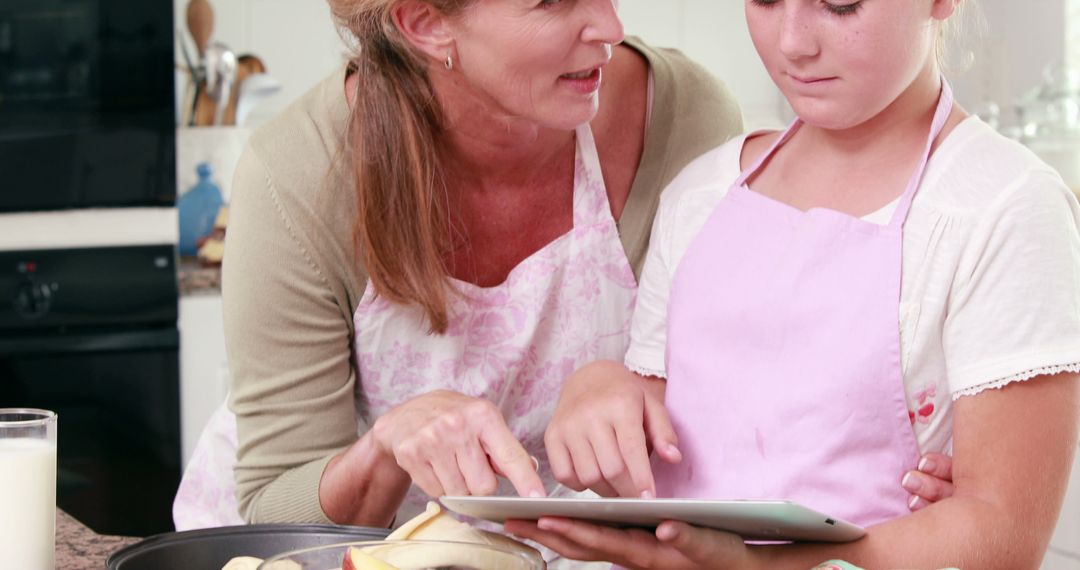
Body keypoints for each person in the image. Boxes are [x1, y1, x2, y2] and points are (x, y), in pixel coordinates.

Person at [508, 0, 1080, 567]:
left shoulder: (1003, 207)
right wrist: (599, 389)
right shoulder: (701, 193)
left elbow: (1003, 536)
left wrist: (769, 566)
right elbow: (653, 444)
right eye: (764, 0)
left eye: (839, 4)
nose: (792, 44)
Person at [172, 0, 745, 533]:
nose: (609, 27)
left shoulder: (679, 120)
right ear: (426, 22)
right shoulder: (298, 174)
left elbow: (736, 417)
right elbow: (276, 505)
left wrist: (635, 387)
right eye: (553, 0)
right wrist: (385, 444)